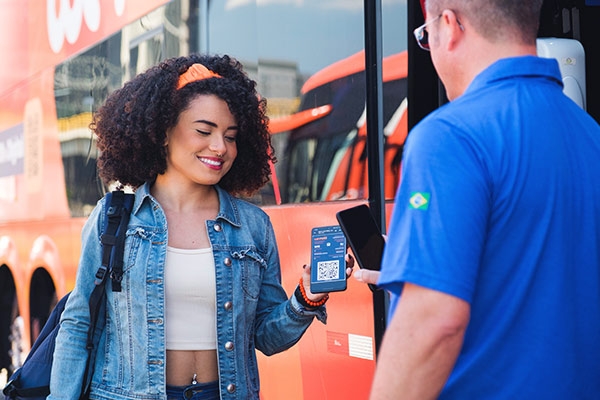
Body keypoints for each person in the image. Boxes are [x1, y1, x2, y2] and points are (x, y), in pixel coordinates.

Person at [48, 54, 352, 400]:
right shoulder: (114, 217)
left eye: (231, 136)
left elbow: (266, 338)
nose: (220, 147)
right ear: (162, 131)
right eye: (204, 131)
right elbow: (77, 325)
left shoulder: (252, 226)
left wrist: (306, 298)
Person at [355, 0, 600, 398]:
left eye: (425, 35)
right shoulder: (590, 135)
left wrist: (423, 295)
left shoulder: (450, 137)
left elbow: (434, 323)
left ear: (448, 25)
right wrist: (417, 265)